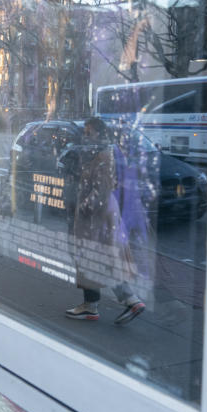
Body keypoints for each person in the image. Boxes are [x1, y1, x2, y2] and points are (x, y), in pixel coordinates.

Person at [65, 117, 146, 325]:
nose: (85, 136)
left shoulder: (104, 154)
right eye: (85, 131)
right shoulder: (98, 152)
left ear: (99, 134)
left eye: (89, 132)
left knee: (94, 255)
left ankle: (116, 301)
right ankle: (107, 301)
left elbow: (101, 189)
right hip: (103, 212)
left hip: (97, 214)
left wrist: (82, 207)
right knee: (102, 256)